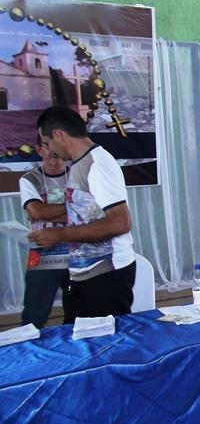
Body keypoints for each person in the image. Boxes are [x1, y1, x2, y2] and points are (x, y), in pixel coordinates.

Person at [28, 107, 136, 324]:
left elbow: (120, 222)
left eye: (47, 143)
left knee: (107, 344)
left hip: (106, 273)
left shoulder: (98, 164)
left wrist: (61, 235)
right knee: (76, 339)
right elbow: (84, 212)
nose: (50, 151)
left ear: (59, 134)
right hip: (80, 271)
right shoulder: (79, 164)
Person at [18, 136, 70, 328]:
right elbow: (36, 212)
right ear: (39, 150)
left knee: (77, 313)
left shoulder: (78, 175)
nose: (53, 151)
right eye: (47, 146)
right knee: (34, 316)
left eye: (57, 144)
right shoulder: (29, 179)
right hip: (43, 253)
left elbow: (90, 212)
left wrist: (45, 213)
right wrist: (72, 207)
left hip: (76, 250)